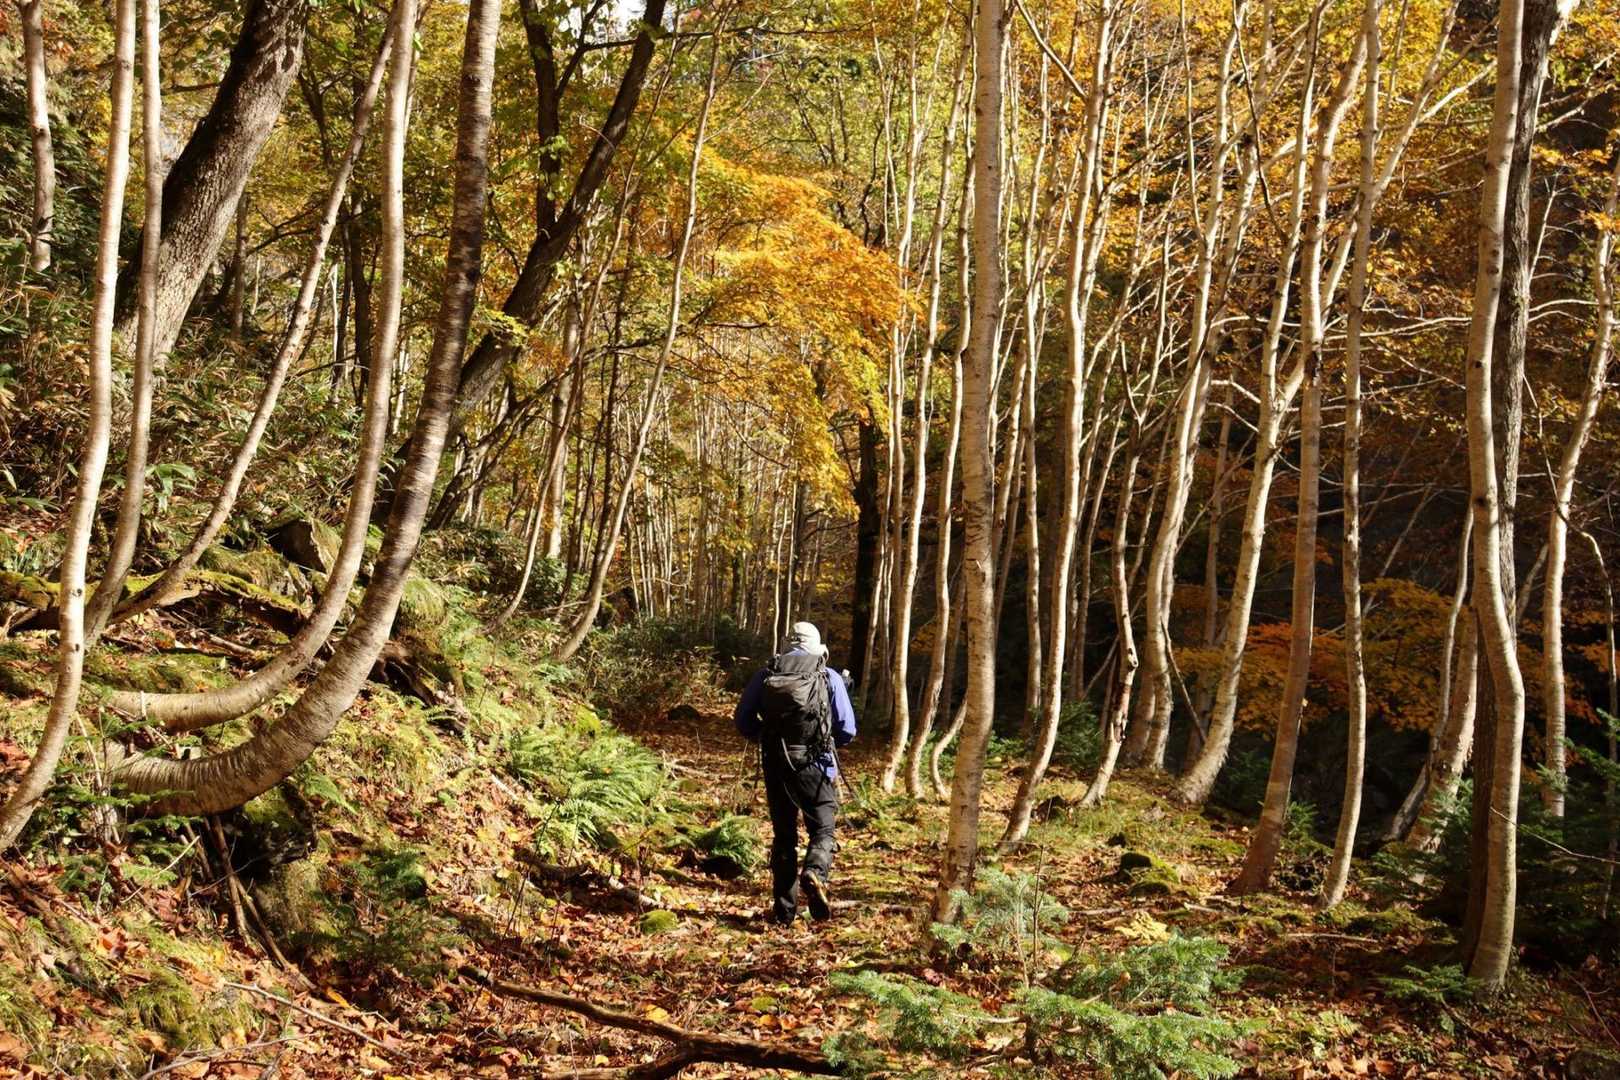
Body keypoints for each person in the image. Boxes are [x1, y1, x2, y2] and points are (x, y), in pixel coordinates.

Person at [734, 621, 857, 924]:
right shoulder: (828, 676)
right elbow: (847, 729)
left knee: (784, 836)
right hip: (815, 764)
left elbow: (743, 721)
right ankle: (815, 872)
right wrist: (824, 741)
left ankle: (784, 912)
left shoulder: (766, 674)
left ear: (787, 644)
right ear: (817, 648)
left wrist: (768, 736)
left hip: (775, 763)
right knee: (823, 829)